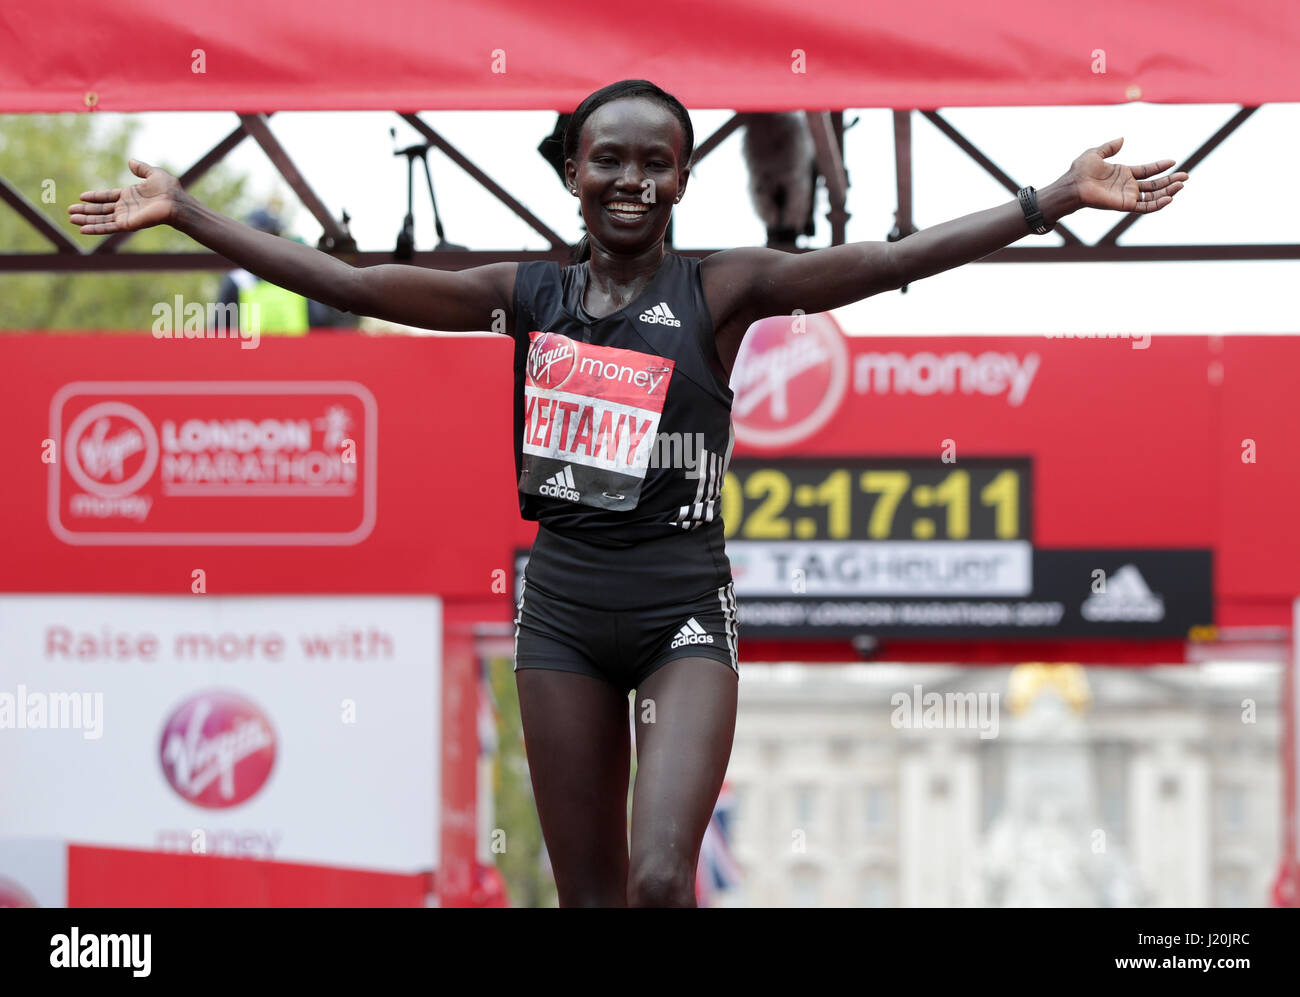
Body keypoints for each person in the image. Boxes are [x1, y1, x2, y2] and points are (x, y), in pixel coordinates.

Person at [68, 79, 1186, 908]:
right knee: (594, 898)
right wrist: (188, 213)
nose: (632, 180)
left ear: (684, 178)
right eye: (610, 158)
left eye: (657, 162)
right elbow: (355, 282)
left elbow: (891, 265)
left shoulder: (722, 288)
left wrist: (1051, 199)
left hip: (682, 608)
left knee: (660, 880)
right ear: (572, 171)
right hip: (560, 610)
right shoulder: (529, 292)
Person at [210, 207, 359, 336]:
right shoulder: (299, 278)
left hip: (256, 363)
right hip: (293, 362)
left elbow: (218, 332)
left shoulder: (238, 281)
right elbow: (322, 322)